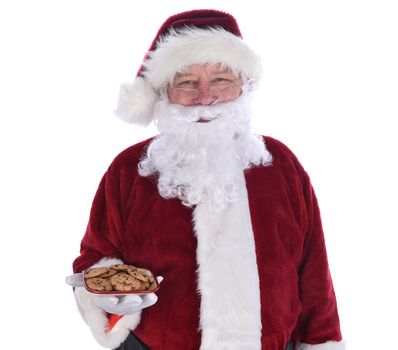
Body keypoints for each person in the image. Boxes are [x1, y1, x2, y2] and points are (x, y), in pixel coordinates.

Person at [70, 9, 345, 350]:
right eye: (186, 82)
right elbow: (94, 257)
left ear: (244, 86)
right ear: (163, 92)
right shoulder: (129, 169)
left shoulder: (281, 164)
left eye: (220, 79)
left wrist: (321, 341)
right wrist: (108, 300)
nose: (204, 97)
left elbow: (314, 269)